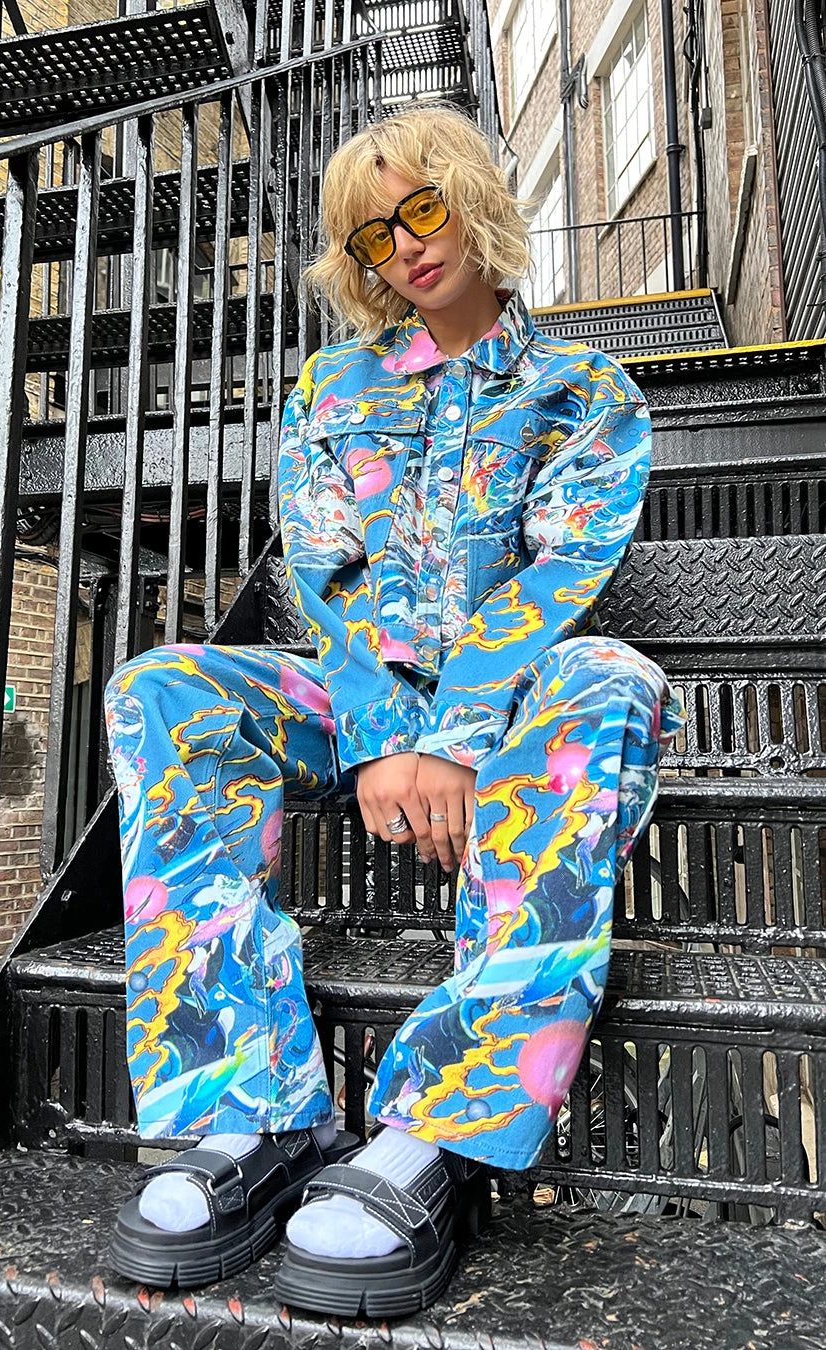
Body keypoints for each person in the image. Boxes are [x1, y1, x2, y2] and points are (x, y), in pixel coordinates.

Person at [103, 103, 685, 1317]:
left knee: (612, 677)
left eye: (422, 209)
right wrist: (383, 741)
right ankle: (251, 1112)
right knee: (162, 687)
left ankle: (438, 1130)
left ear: (471, 199)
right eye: (374, 234)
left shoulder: (585, 391)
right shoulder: (333, 386)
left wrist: (456, 739)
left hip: (513, 701)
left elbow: (558, 576)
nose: (406, 246)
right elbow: (327, 575)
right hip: (355, 700)